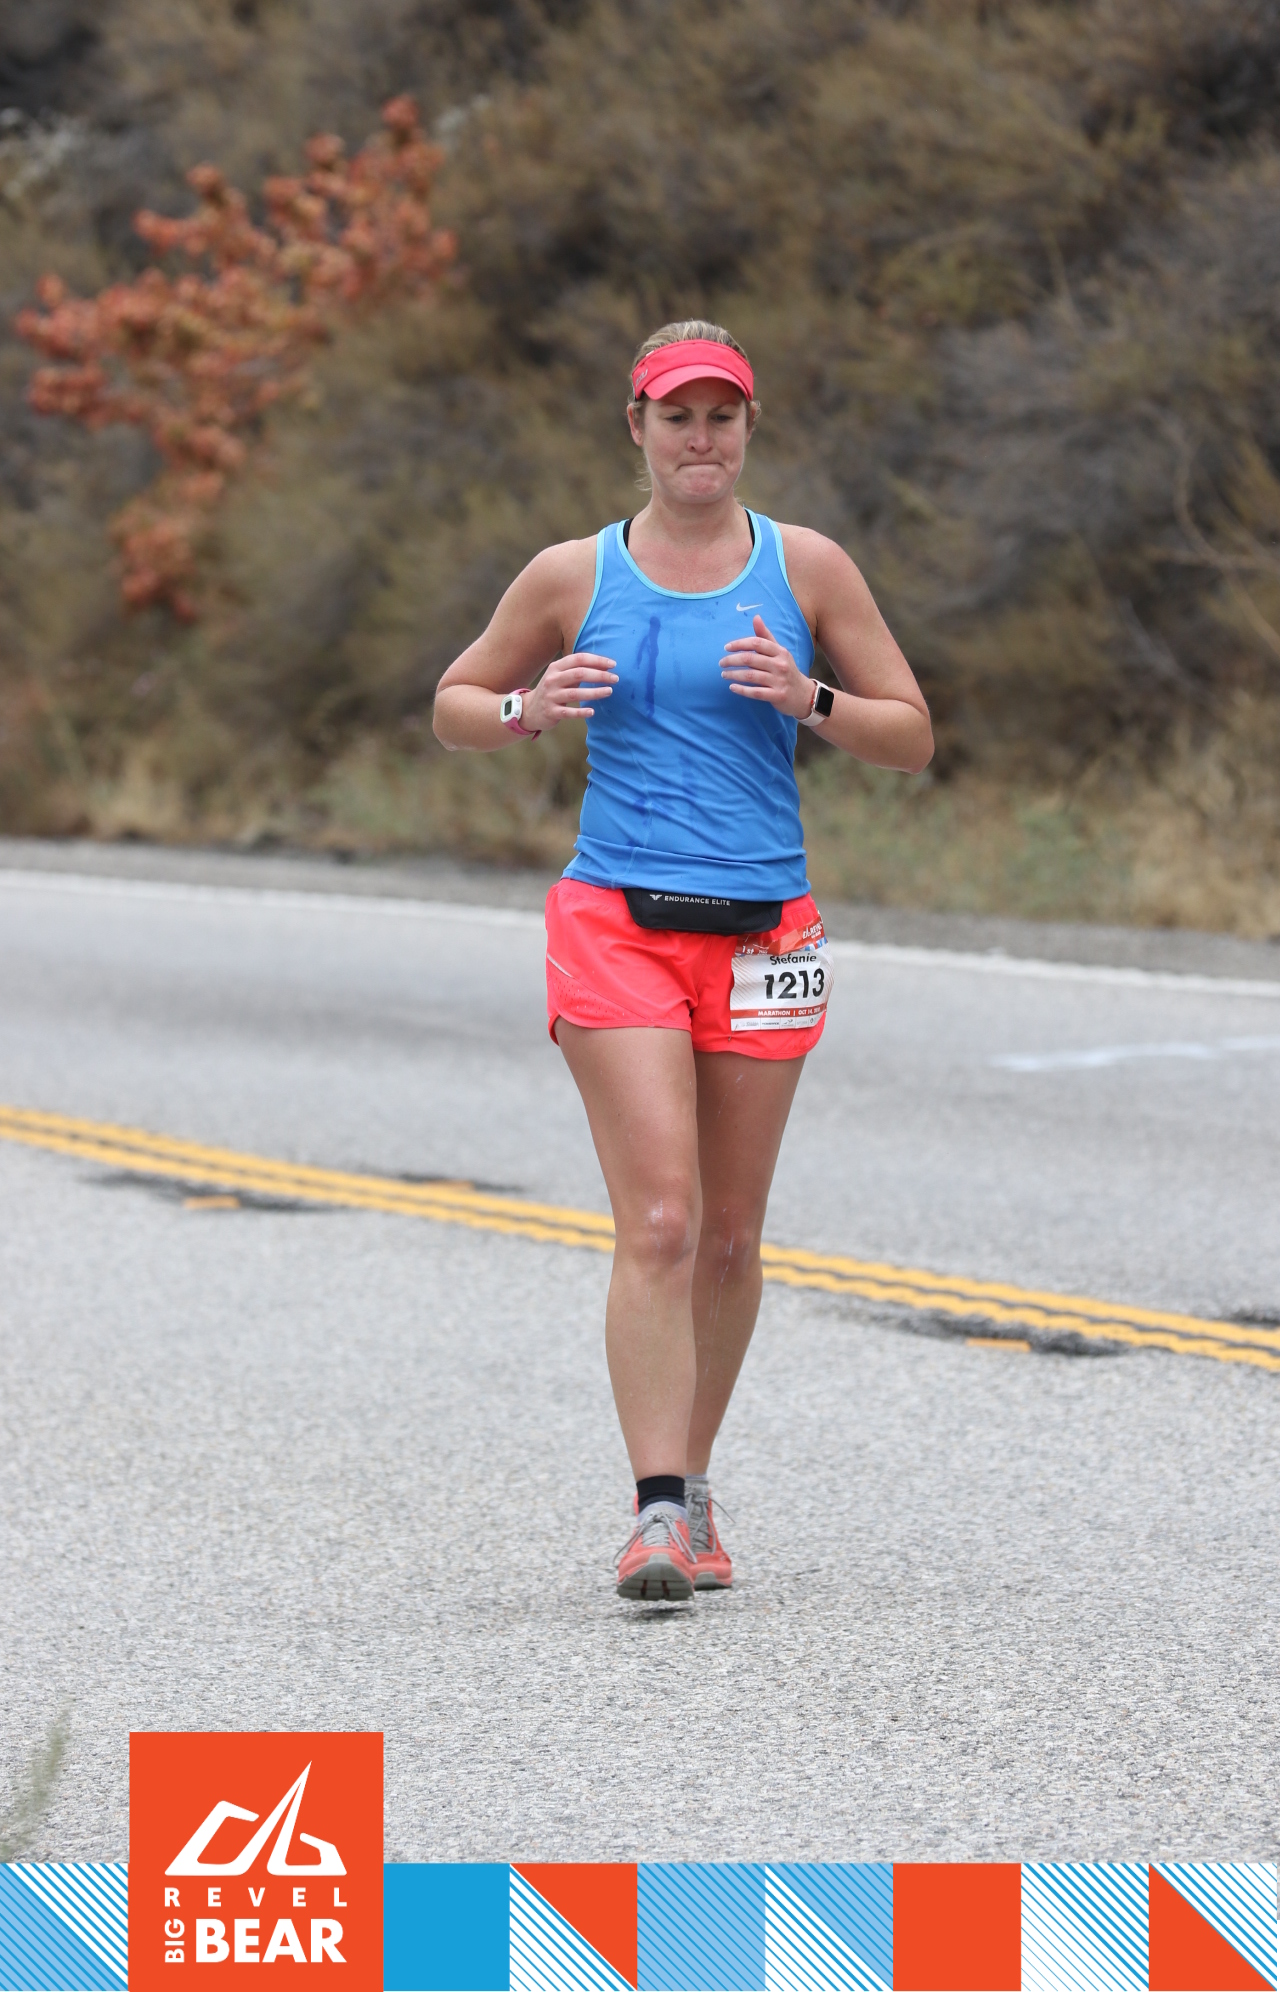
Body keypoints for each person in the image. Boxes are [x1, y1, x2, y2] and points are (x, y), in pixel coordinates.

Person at [433, 319, 932, 1601]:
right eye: (675, 417)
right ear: (637, 428)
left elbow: (910, 734)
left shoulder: (807, 568)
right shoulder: (572, 573)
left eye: (720, 416)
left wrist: (811, 701)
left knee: (727, 1236)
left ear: (748, 427)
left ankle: (694, 1492)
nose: (698, 439)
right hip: (616, 919)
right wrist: (525, 708)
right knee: (660, 1219)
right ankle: (653, 1511)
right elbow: (455, 702)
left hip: (764, 931)